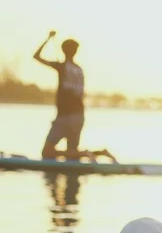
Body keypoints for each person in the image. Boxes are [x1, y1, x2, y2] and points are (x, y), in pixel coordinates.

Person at [32, 31, 116, 162]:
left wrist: (48, 38)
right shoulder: (79, 70)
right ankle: (100, 152)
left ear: (63, 51)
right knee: (72, 155)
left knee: (47, 152)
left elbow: (36, 56)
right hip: (79, 115)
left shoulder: (62, 66)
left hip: (64, 115)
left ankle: (86, 154)